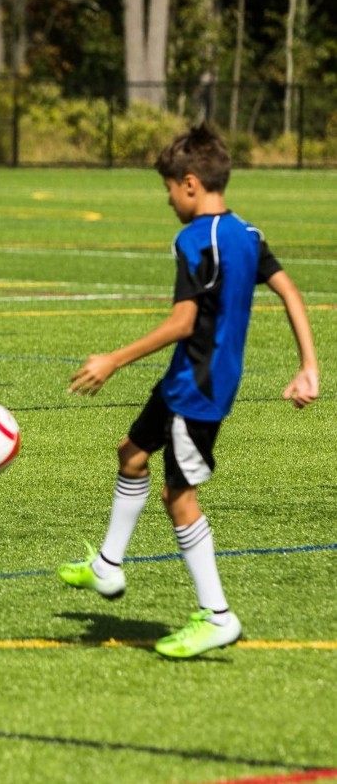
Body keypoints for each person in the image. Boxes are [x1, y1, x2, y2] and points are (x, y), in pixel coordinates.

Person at [59, 122, 319, 659]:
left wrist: (113, 359)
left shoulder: (196, 238)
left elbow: (182, 322)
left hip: (198, 389)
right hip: (186, 377)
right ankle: (108, 566)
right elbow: (289, 289)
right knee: (131, 454)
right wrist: (308, 364)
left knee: (180, 498)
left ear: (192, 184)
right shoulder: (247, 233)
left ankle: (218, 614)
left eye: (170, 190)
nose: (170, 200)